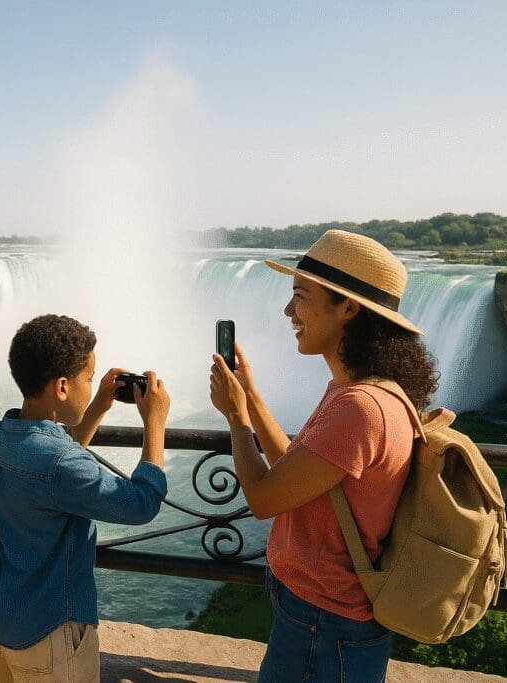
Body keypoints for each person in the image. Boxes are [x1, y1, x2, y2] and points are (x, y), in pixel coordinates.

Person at [208, 229, 439, 682]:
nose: (288, 311)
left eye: (300, 297)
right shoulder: (359, 393)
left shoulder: (360, 408)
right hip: (322, 617)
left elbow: (263, 499)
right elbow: (294, 474)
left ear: (348, 308)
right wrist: (251, 396)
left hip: (325, 624)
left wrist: (236, 418)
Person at [0, 314, 171, 683]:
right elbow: (141, 503)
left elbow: (56, 471)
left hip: (3, 625)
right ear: (63, 387)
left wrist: (97, 405)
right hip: (51, 635)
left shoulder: (4, 434)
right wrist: (156, 422)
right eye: (89, 379)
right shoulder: (60, 464)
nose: (91, 385)